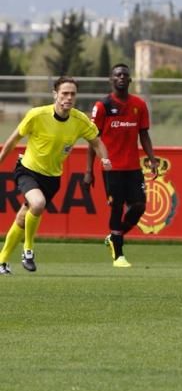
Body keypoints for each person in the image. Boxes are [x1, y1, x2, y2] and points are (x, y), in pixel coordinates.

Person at [0, 77, 112, 275]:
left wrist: (104, 159)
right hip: (27, 169)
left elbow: (97, 142)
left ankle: (2, 261)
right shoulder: (37, 114)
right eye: (64, 93)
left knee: (22, 218)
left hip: (52, 178)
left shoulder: (79, 120)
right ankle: (28, 250)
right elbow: (13, 139)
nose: (68, 97)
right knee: (38, 204)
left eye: (72, 94)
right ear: (55, 95)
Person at [84, 63, 159, 268]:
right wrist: (89, 170)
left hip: (133, 168)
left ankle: (114, 237)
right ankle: (119, 255)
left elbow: (143, 134)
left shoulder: (139, 105)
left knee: (139, 206)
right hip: (111, 168)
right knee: (116, 208)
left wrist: (152, 159)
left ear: (130, 80)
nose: (122, 77)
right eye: (118, 74)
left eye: (125, 74)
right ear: (111, 79)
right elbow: (93, 140)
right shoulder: (103, 106)